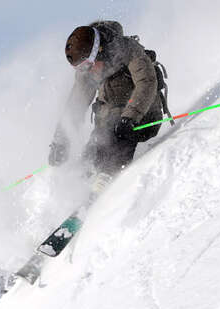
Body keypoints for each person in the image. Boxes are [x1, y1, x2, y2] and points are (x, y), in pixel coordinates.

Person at [49, 20, 165, 195]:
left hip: (144, 116)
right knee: (94, 148)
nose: (86, 70)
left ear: (99, 52)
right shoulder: (87, 71)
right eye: (80, 68)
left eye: (87, 65)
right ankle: (78, 189)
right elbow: (76, 105)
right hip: (112, 119)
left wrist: (130, 117)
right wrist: (61, 140)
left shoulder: (127, 49)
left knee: (115, 135)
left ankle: (107, 179)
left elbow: (146, 82)